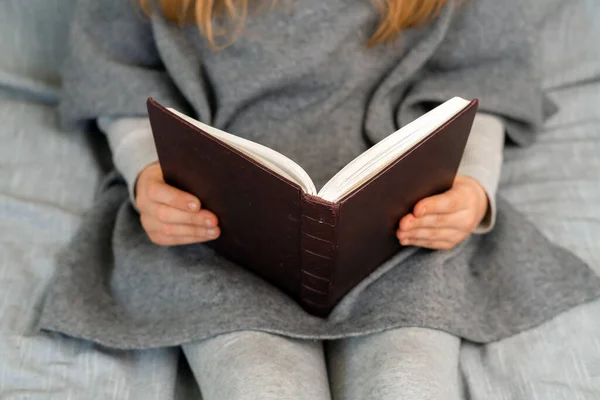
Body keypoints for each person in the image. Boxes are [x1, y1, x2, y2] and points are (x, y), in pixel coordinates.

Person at [38, 0, 600, 398]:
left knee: (407, 383)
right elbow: (120, 83)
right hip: (217, 225)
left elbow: (485, 82)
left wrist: (471, 189)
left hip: (399, 222)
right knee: (262, 384)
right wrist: (148, 174)